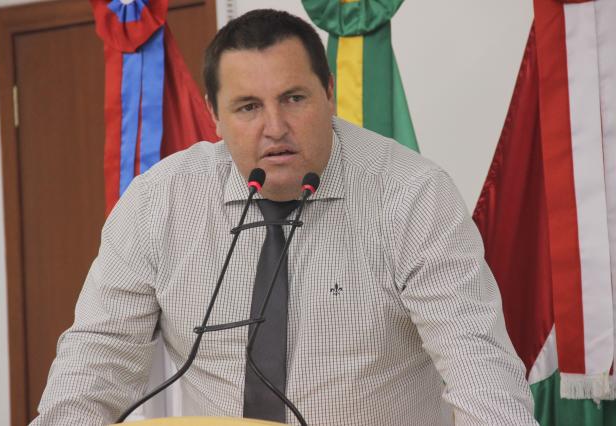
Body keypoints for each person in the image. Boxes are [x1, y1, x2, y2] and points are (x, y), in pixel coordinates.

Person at [32, 9, 537, 425]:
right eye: (248, 107)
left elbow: (480, 371)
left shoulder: (412, 196)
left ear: (329, 93)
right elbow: (96, 360)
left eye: (294, 99)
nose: (275, 127)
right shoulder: (158, 202)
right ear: (214, 115)